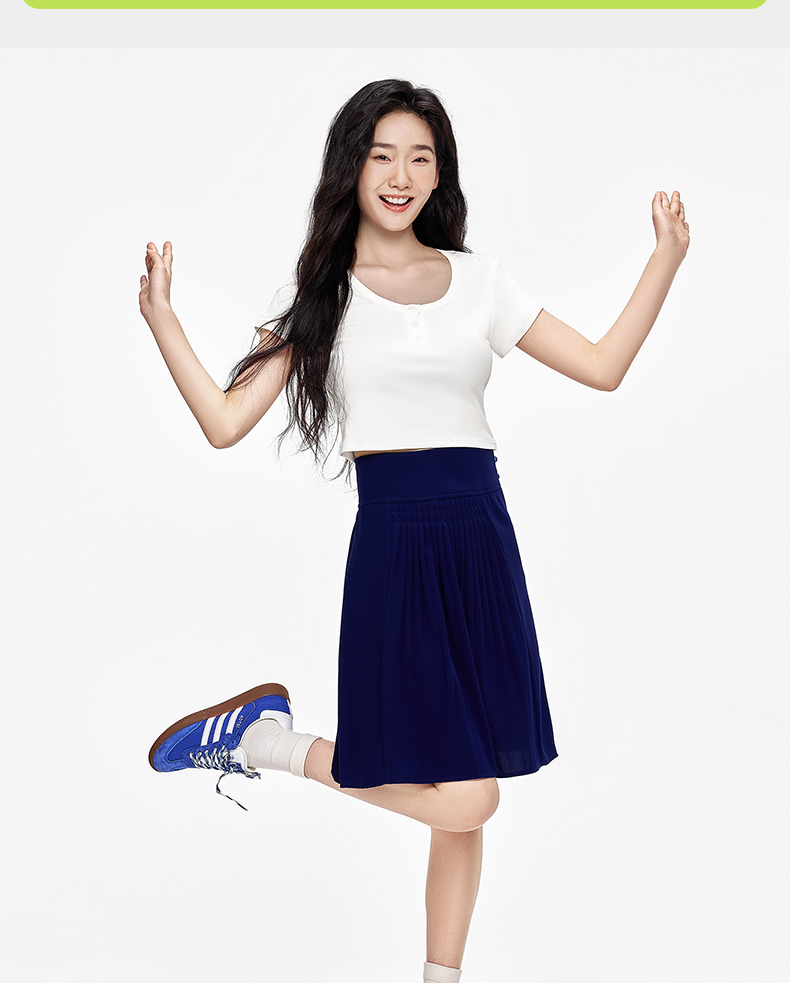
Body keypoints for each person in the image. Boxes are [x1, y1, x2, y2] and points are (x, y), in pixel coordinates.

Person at [139, 79, 690, 983]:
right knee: (470, 797)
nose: (400, 175)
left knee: (459, 805)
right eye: (382, 155)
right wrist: (163, 320)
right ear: (352, 168)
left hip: (480, 542)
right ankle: (265, 744)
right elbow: (225, 422)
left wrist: (664, 258)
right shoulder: (322, 298)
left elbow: (602, 365)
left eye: (420, 157)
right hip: (396, 550)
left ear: (440, 174)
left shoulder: (480, 281)